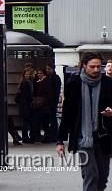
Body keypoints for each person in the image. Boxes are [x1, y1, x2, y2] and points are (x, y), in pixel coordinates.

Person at [57, 52, 112, 191]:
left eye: (99, 67)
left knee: (103, 177)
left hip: (104, 136)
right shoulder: (74, 83)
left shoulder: (108, 83)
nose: (96, 70)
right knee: (91, 175)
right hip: (83, 137)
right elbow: (67, 113)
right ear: (84, 66)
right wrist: (60, 141)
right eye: (92, 66)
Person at [32, 69, 53, 142]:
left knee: (45, 123)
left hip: (44, 105)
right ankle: (41, 136)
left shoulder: (46, 82)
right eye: (38, 73)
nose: (39, 75)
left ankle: (47, 137)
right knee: (41, 122)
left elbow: (48, 93)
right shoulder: (37, 82)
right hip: (40, 105)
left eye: (40, 73)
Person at [15, 69, 35, 143]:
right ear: (24, 75)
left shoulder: (24, 83)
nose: (28, 76)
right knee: (26, 122)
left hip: (24, 105)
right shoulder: (25, 83)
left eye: (29, 74)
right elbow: (28, 95)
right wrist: (32, 100)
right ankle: (25, 137)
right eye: (27, 74)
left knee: (25, 122)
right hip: (26, 105)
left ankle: (25, 137)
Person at [46, 64, 63, 142]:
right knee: (52, 118)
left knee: (53, 118)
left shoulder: (55, 78)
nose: (47, 70)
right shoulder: (50, 77)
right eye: (47, 69)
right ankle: (53, 134)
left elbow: (56, 91)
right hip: (51, 100)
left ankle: (54, 135)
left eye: (49, 68)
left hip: (52, 101)